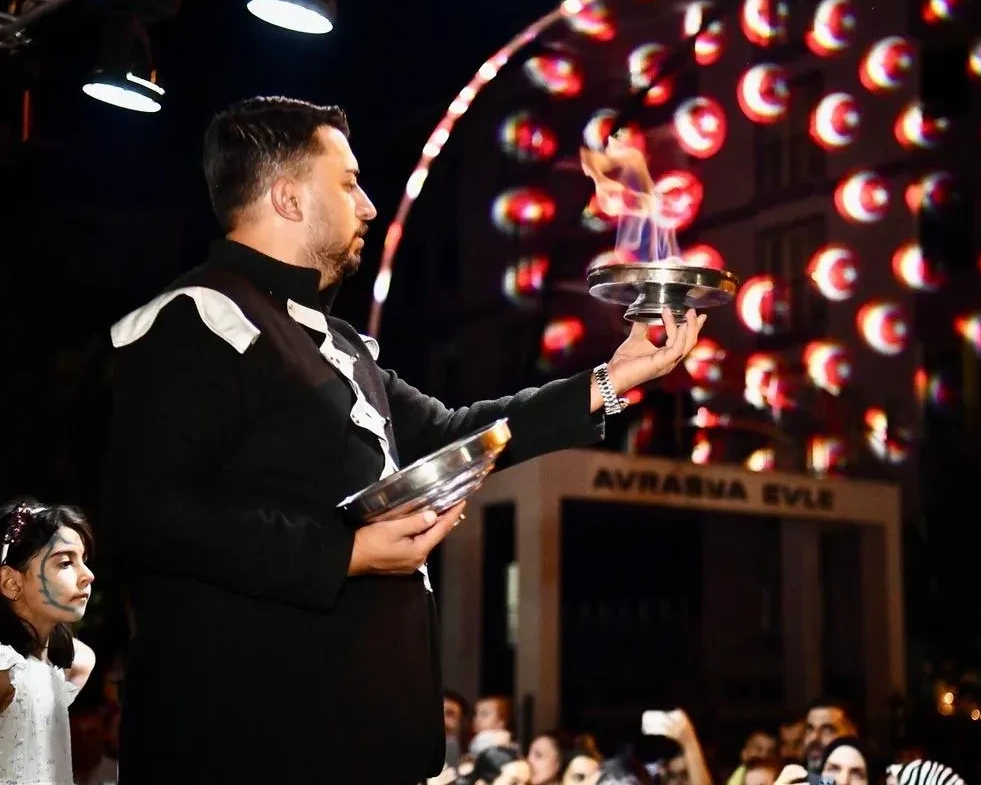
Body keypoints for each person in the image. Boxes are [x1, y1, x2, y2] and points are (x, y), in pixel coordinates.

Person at [103, 96, 708, 785]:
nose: (367, 207)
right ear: (288, 198)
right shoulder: (197, 320)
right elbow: (146, 515)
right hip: (249, 749)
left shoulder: (337, 343)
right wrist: (347, 553)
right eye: (349, 184)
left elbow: (452, 434)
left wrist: (611, 380)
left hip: (357, 748)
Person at [0, 500, 98, 785]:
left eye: (84, 560)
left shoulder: (71, 666)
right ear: (11, 583)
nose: (88, 575)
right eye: (65, 563)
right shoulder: (6, 671)